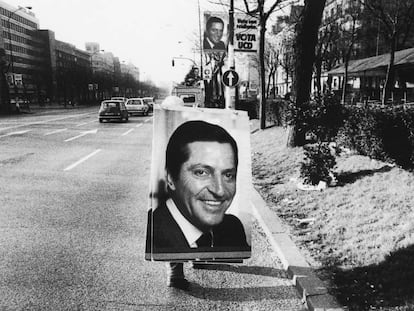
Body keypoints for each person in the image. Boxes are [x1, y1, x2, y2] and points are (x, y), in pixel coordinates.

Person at [146, 120, 250, 290]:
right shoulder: (155, 226)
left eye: (228, 174)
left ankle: (200, 256)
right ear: (171, 177)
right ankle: (176, 273)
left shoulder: (233, 227)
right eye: (201, 172)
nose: (219, 191)